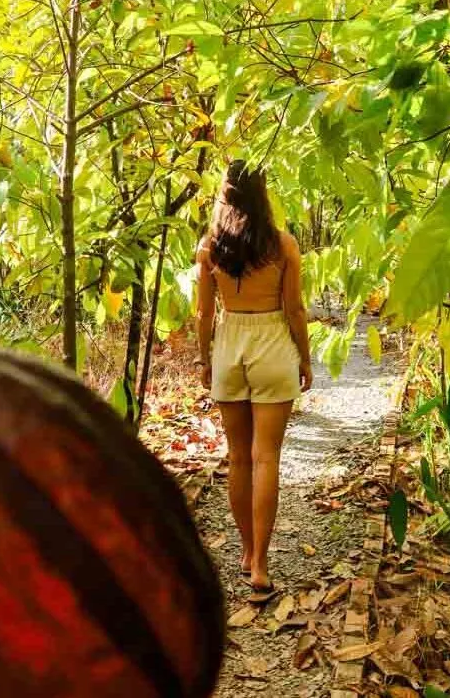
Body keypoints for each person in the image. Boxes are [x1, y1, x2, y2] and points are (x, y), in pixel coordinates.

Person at [196, 160, 312, 593]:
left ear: (224, 193)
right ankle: (261, 563)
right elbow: (294, 309)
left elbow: (204, 314)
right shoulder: (282, 245)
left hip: (230, 344)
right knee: (266, 458)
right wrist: (305, 359)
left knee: (238, 457)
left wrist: (205, 360)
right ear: (262, 194)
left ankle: (245, 551)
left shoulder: (210, 246)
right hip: (272, 344)